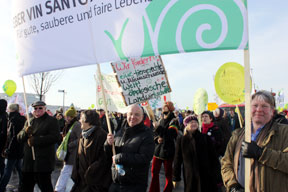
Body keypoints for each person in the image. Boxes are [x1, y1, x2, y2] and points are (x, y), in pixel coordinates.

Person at [221, 90, 288, 191]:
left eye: (264, 106)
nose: (259, 109)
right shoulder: (237, 135)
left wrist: (261, 154)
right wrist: (232, 186)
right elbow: (226, 163)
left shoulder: (284, 132)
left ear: (272, 111)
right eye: (255, 105)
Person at [105, 104, 154, 192]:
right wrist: (108, 144)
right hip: (116, 182)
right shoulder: (121, 131)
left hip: (134, 185)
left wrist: (121, 157)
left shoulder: (147, 134)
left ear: (142, 117)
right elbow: (110, 154)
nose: (133, 117)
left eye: (137, 114)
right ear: (126, 115)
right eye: (130, 114)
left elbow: (144, 158)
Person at [17, 101, 61, 192]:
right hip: (28, 163)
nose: (37, 110)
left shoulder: (51, 121)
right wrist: (25, 132)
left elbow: (55, 137)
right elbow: (19, 137)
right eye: (35, 108)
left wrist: (36, 141)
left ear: (45, 108)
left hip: (42, 162)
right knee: (24, 187)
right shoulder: (30, 121)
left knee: (45, 187)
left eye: (40, 108)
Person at [173, 115, 221, 192]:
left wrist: (218, 175)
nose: (194, 124)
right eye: (191, 122)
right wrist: (176, 177)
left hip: (206, 175)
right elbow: (177, 160)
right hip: (190, 176)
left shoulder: (205, 138)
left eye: (195, 122)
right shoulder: (182, 140)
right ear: (186, 125)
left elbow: (214, 158)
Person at [71, 110, 112, 192]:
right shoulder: (83, 135)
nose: (79, 120)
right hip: (81, 182)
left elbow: (103, 159)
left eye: (81, 118)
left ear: (89, 121)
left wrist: (89, 174)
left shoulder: (101, 135)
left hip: (93, 184)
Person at [149, 101, 179, 192]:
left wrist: (158, 128)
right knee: (154, 172)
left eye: (165, 107)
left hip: (168, 151)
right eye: (162, 107)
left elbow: (171, 135)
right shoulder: (160, 120)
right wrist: (157, 139)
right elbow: (155, 133)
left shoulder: (174, 120)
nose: (163, 109)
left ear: (169, 108)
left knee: (168, 174)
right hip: (158, 150)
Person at [55, 107, 81, 192]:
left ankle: (59, 189)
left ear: (72, 117)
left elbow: (80, 139)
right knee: (66, 172)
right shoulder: (68, 125)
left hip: (72, 153)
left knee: (65, 172)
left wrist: (70, 145)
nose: (66, 118)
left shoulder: (77, 125)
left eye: (68, 116)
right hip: (68, 153)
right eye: (66, 116)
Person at [0, 103, 25, 192]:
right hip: (19, 148)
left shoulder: (14, 119)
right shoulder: (21, 118)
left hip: (14, 148)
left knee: (8, 170)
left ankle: (2, 187)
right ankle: (24, 184)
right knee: (19, 167)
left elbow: (14, 136)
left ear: (11, 109)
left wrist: (9, 148)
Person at [0, 99, 7, 179]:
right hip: (2, 143)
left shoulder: (4, 116)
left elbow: (4, 132)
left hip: (1, 144)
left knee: (2, 165)